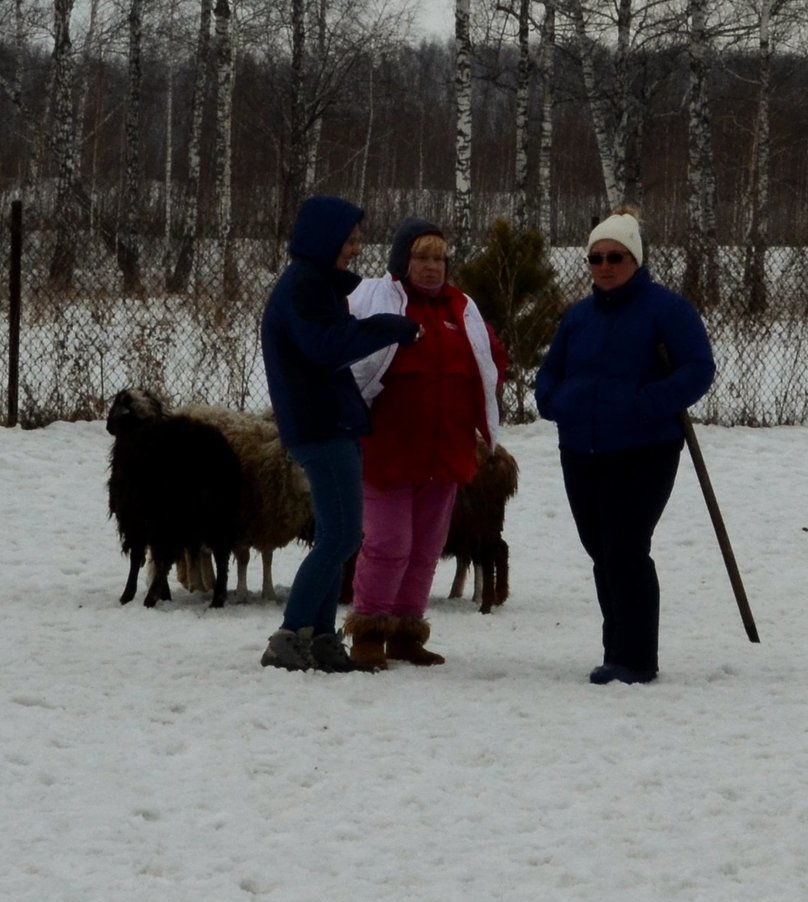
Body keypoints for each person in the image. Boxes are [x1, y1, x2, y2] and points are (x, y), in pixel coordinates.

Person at [534, 208, 715, 685]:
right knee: (600, 549)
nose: (605, 266)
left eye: (615, 256)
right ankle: (615, 647)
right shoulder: (578, 317)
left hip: (643, 449)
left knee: (625, 548)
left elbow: (697, 369)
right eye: (595, 259)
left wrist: (646, 404)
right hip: (581, 448)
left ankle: (635, 657)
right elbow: (551, 371)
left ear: (635, 258)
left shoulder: (667, 310)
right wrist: (554, 401)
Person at [258, 195, 421, 673]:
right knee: (341, 535)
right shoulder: (304, 286)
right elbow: (326, 346)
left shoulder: (315, 284)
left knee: (340, 534)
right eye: (349, 240)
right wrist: (387, 327)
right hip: (319, 425)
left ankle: (323, 636)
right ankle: (291, 633)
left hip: (329, 421)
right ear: (325, 239)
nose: (356, 248)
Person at [343, 218, 508, 669]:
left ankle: (406, 631)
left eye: (439, 258)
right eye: (422, 257)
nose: (432, 267)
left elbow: (491, 360)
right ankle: (369, 630)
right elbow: (347, 358)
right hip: (388, 448)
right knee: (388, 542)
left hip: (446, 450)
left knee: (426, 546)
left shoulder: (463, 309)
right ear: (403, 261)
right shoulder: (375, 301)